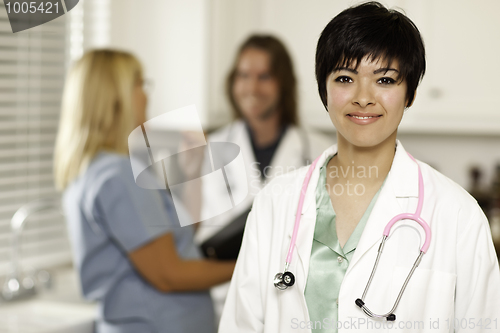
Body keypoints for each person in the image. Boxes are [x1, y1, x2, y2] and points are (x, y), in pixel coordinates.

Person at [219, 2, 500, 332]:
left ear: (409, 92)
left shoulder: (459, 216)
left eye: (385, 80)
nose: (363, 97)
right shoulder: (274, 203)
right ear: (324, 89)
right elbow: (241, 325)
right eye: (344, 78)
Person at [54, 49, 235, 333]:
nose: (146, 95)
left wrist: (192, 170)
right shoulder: (120, 174)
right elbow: (168, 274)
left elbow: (181, 236)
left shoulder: (93, 169)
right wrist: (248, 266)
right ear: (116, 97)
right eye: (139, 83)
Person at [194, 35, 332, 321]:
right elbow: (201, 239)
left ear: (283, 83)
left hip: (296, 307)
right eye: (243, 75)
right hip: (226, 306)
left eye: (264, 76)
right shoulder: (208, 151)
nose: (252, 87)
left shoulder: (322, 153)